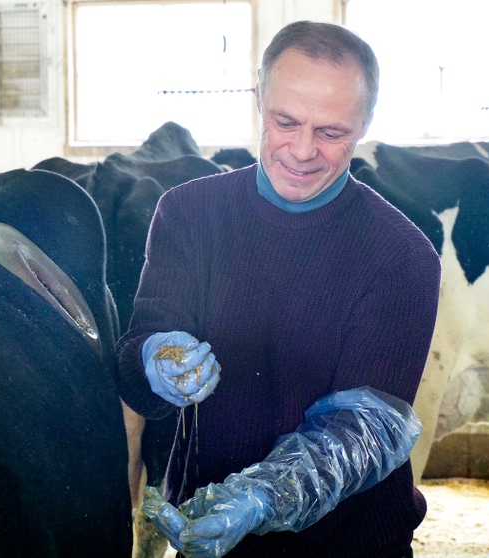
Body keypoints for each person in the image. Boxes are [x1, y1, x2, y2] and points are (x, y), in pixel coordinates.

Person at [116, 20, 441, 558]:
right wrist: (154, 358)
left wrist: (262, 497)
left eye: (331, 132)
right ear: (260, 99)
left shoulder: (401, 255)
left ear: (365, 123)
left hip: (352, 544)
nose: (302, 149)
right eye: (285, 121)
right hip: (211, 537)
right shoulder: (188, 213)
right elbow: (136, 373)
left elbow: (365, 429)